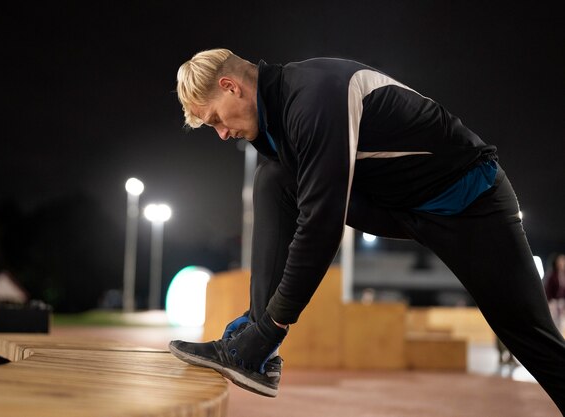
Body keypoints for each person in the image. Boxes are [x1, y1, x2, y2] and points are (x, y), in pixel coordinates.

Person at [168, 48, 565, 412]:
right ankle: (251, 351)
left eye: (216, 119)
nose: (221, 133)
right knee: (274, 178)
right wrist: (261, 325)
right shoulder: (277, 126)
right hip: (401, 206)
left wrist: (276, 324)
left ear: (230, 86)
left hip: (473, 204)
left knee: (528, 334)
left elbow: (321, 226)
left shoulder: (315, 97)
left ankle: (262, 337)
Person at [545, 253, 565, 331]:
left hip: (563, 302)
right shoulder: (552, 275)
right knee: (554, 322)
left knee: (562, 322)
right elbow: (548, 289)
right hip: (553, 302)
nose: (562, 263)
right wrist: (549, 301)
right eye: (560, 261)